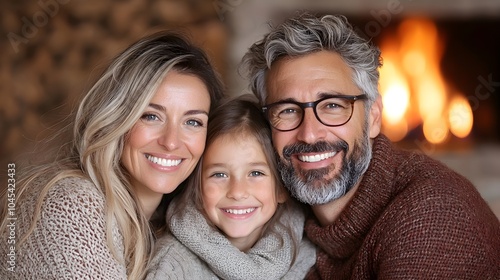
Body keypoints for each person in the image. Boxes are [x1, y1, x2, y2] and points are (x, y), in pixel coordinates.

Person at [241, 12, 500, 279]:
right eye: (287, 110)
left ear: (374, 117)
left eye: (332, 106)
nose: (309, 134)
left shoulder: (433, 216)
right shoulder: (281, 218)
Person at [0, 31, 224, 279]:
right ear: (118, 118)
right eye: (151, 116)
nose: (171, 142)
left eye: (192, 122)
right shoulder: (72, 205)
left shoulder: (173, 227)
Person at [146, 95, 316, 279]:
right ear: (198, 186)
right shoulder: (171, 267)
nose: (237, 192)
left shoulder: (307, 257)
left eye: (255, 173)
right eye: (219, 175)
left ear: (281, 188)